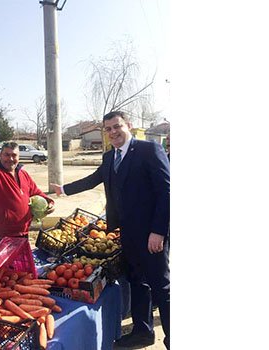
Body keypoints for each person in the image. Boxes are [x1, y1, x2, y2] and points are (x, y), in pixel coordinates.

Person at [50, 111, 170, 349]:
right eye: (108, 129)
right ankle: (142, 332)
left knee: (161, 287)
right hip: (126, 234)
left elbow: (167, 192)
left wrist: (159, 231)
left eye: (117, 127)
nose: (113, 132)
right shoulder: (109, 157)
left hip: (151, 235)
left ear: (129, 126)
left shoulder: (149, 151)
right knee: (138, 283)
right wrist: (63, 189)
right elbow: (93, 179)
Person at [0, 141, 54, 243]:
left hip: (22, 233)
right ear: (0, 156)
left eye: (14, 155)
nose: (10, 159)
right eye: (7, 155)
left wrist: (49, 202)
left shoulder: (23, 174)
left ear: (19, 157)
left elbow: (35, 192)